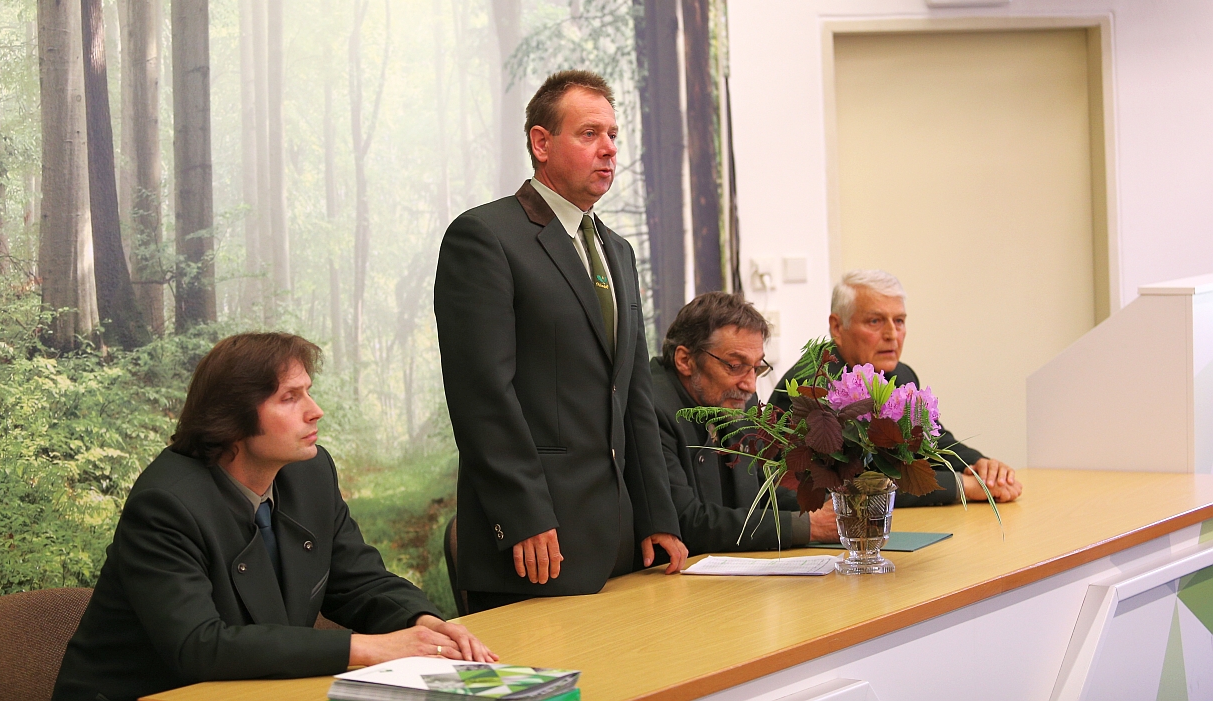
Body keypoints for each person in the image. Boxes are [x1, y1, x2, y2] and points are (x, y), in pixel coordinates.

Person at [53, 333, 493, 701]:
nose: (314, 410)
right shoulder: (165, 504)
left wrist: (421, 622)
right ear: (232, 418)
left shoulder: (311, 472)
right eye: (290, 398)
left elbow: (359, 581)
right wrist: (369, 649)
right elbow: (199, 646)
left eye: (308, 391)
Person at [435, 70, 686, 612]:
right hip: (533, 543)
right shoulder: (485, 237)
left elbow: (633, 395)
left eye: (613, 135)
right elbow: (482, 395)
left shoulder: (617, 251)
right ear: (541, 143)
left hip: (621, 541)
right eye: (589, 134)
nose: (608, 149)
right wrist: (522, 514)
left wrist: (657, 515)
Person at [767, 270, 1023, 505]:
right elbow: (856, 484)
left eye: (899, 321)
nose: (892, 334)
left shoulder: (899, 374)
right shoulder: (813, 390)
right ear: (837, 327)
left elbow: (932, 440)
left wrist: (981, 467)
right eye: (875, 321)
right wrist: (960, 486)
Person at [652, 292, 839, 555]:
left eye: (756, 368)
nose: (750, 385)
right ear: (685, 360)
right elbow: (687, 522)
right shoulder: (650, 409)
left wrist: (829, 507)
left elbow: (761, 493)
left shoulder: (733, 399)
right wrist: (811, 527)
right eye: (735, 366)